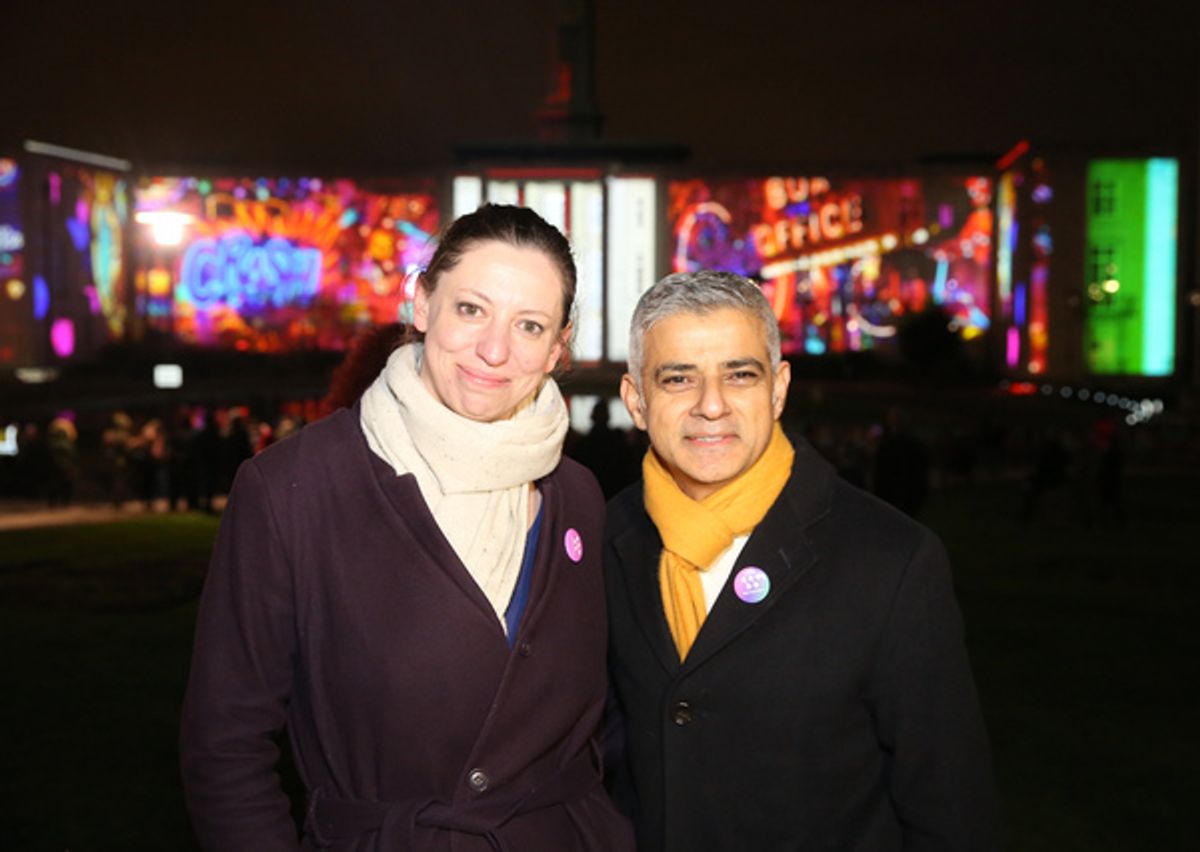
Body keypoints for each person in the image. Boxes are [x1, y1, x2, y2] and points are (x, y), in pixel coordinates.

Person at [181, 204, 634, 851]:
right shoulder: (292, 490)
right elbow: (224, 747)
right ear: (421, 304)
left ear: (558, 348)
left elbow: (603, 719)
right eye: (471, 309)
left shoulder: (578, 497)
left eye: (529, 325)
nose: (495, 349)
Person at [604, 271, 1001, 851]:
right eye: (678, 378)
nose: (710, 405)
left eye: (739, 375)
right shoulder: (604, 538)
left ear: (778, 388)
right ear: (637, 400)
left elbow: (952, 812)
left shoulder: (891, 561)